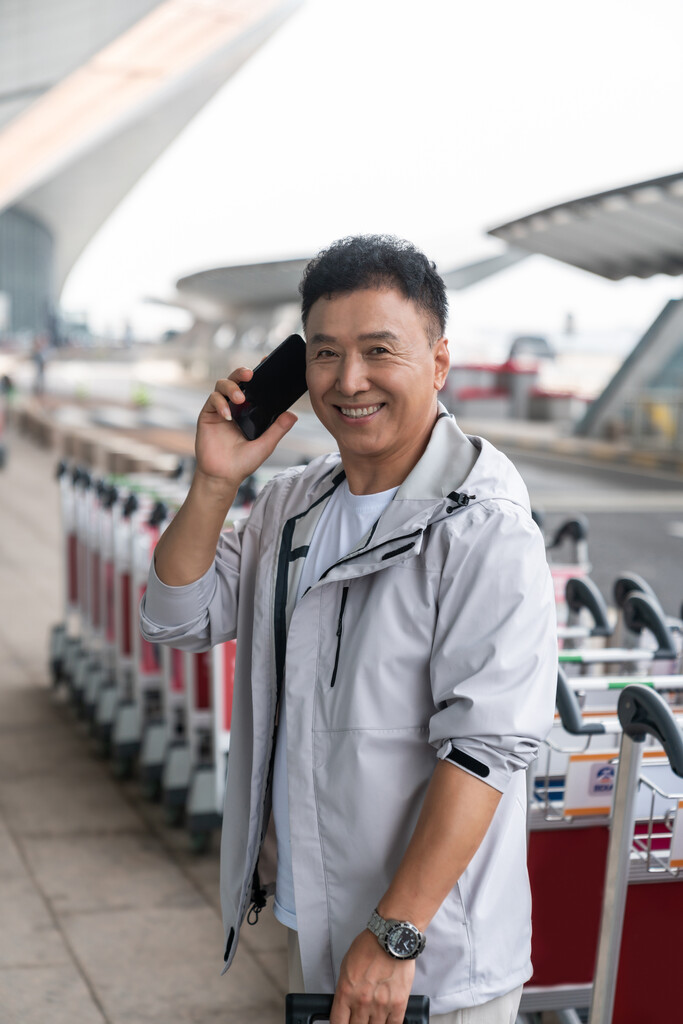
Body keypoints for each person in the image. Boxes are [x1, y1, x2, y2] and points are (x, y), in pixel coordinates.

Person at [140, 235, 557, 1024]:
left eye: (378, 351)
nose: (349, 380)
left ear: (437, 362)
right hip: (315, 916)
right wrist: (214, 481)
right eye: (325, 353)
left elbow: (486, 747)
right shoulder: (292, 506)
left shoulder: (484, 526)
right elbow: (176, 618)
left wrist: (393, 935)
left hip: (429, 957)